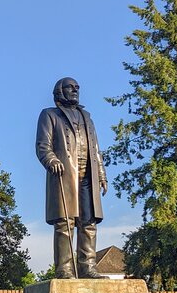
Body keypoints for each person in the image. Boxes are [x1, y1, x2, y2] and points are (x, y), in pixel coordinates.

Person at [36, 77, 108, 279]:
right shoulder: (50, 115)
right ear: (60, 91)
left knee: (89, 222)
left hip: (88, 176)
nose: (75, 90)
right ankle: (65, 269)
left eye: (77, 87)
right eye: (71, 87)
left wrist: (102, 174)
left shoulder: (87, 118)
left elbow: (95, 149)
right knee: (65, 223)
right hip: (65, 174)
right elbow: (43, 145)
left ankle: (88, 267)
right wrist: (51, 160)